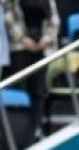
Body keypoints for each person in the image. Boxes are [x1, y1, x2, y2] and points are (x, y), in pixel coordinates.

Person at [5, 0, 58, 131]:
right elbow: (9, 18)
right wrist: (23, 38)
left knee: (39, 89)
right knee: (21, 88)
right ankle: (23, 128)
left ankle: (37, 127)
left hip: (42, 47)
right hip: (20, 48)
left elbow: (54, 20)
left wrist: (46, 38)